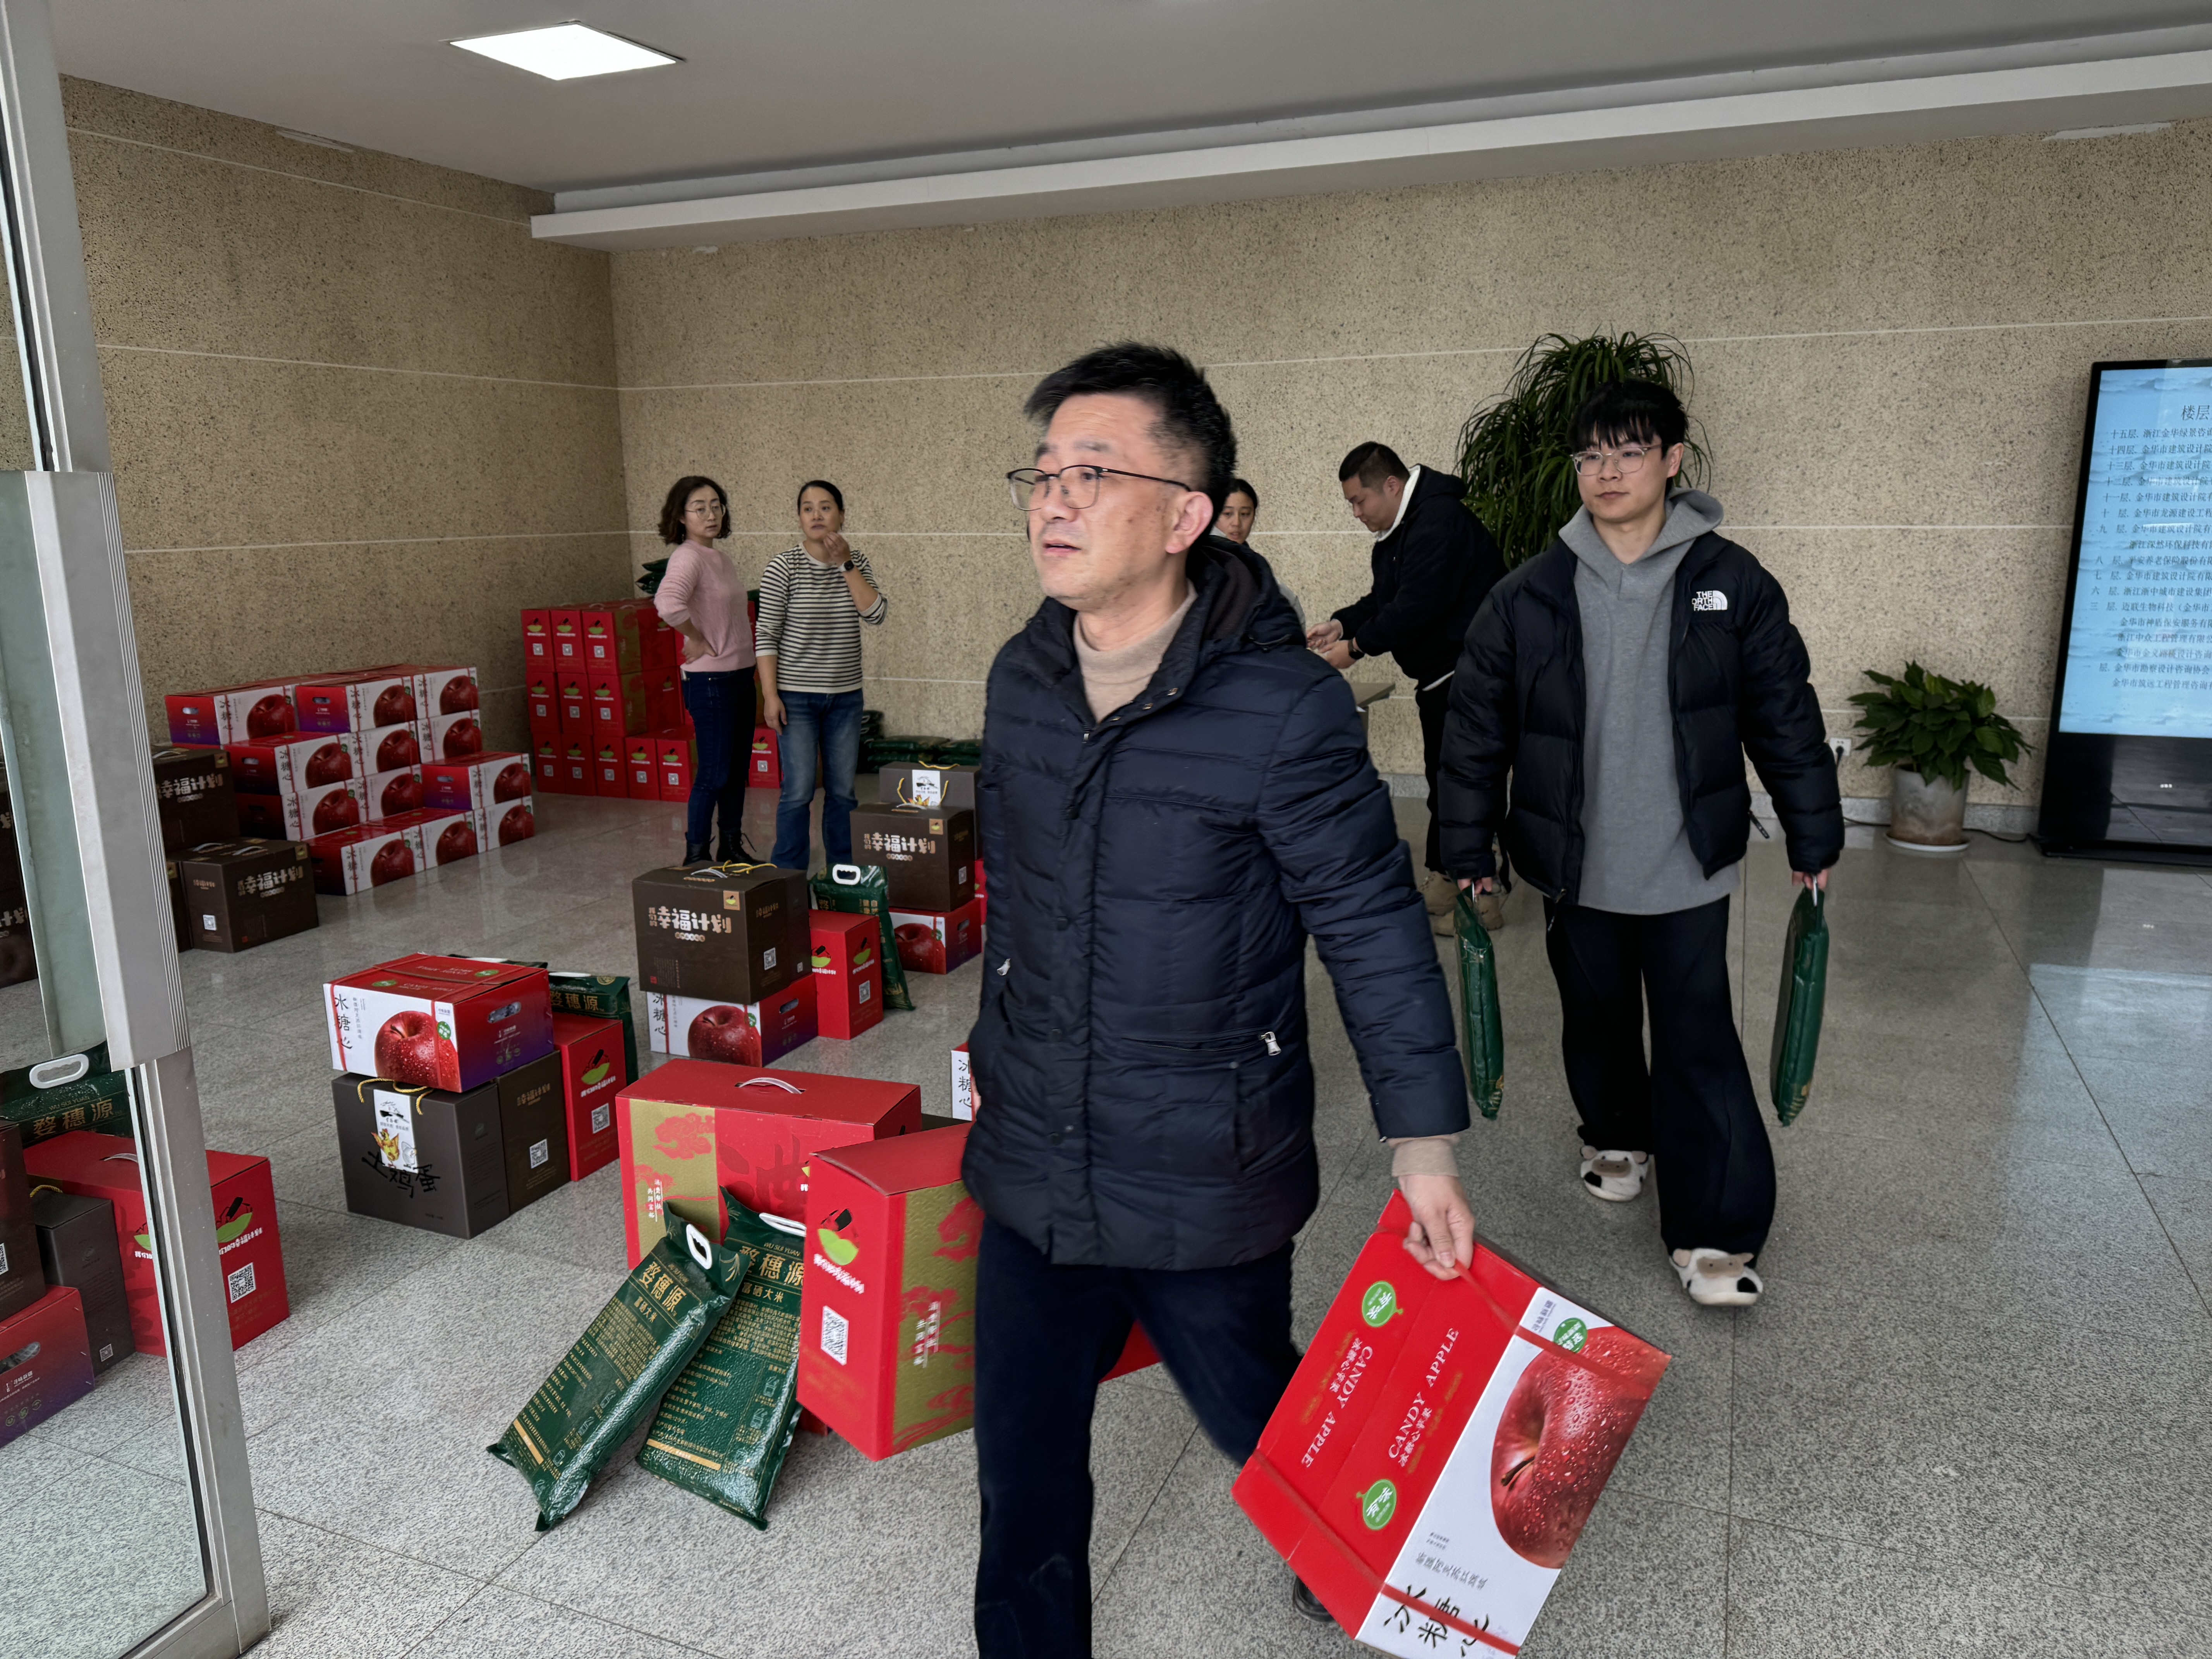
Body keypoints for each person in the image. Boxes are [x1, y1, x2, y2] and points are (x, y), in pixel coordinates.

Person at [963, 342, 1473, 1656]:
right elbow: (1017, 906)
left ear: (1186, 513)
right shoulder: (1021, 681)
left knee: (1271, 1425)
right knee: (1021, 1472)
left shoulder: (1283, 707)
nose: (1053, 500)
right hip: (1032, 1157)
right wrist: (993, 1051)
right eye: (1043, 473)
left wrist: (1422, 1141)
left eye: (1093, 473)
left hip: (1202, 1163)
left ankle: (1363, 1559)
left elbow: (1370, 923)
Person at [1437, 379, 1841, 1309]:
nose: (1607, 471)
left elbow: (1784, 713)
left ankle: (1716, 1229)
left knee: (1697, 1036)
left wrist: (1812, 827)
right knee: (1597, 1016)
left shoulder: (1732, 582)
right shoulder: (1528, 595)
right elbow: (1475, 734)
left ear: (1671, 459)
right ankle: (1617, 1134)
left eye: (1628, 451)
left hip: (1686, 859)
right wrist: (1466, 847)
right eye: (1591, 455)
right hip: (1574, 861)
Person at [1307, 442, 1507, 934]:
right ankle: (1446, 878)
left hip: (1473, 673)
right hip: (1442, 677)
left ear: (1392, 486)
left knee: (1466, 788)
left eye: (1359, 501)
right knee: (1444, 783)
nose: (1356, 513)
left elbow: (1417, 605)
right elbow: (1385, 600)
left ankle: (1482, 901)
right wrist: (1342, 624)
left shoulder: (1439, 521)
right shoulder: (1402, 531)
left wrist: (1356, 648)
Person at [756, 479, 887, 871]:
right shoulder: (784, 566)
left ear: (842, 515)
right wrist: (770, 696)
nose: (817, 515)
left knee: (843, 791)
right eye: (808, 508)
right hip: (795, 698)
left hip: (846, 697)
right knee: (798, 791)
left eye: (826, 507)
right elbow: (766, 634)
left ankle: (843, 872)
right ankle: (788, 875)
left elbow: (876, 613)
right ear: (799, 517)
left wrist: (845, 563)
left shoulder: (856, 561)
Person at [653, 474, 756, 866]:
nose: (711, 515)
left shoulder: (720, 559)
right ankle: (697, 854)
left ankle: (730, 846)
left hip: (740, 677)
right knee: (714, 773)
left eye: (716, 506)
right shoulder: (688, 557)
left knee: (736, 772)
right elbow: (668, 604)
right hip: (712, 681)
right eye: (700, 508)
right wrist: (694, 637)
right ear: (681, 516)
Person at [1213, 477, 1305, 628]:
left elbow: (1292, 606)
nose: (1237, 523)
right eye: (1228, 514)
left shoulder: (1253, 562)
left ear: (1254, 516)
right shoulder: (1205, 558)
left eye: (1245, 514)